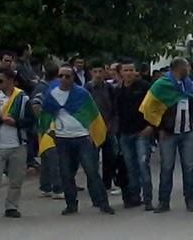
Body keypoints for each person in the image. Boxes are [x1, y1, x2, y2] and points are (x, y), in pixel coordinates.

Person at [140, 57, 193, 214]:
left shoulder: (188, 85)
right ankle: (163, 201)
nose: (189, 69)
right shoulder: (162, 85)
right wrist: (159, 128)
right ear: (179, 68)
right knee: (167, 167)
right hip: (168, 133)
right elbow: (149, 107)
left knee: (190, 167)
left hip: (188, 132)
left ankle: (190, 200)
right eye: (187, 67)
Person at [39, 65, 114, 215]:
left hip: (82, 138)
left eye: (67, 76)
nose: (64, 79)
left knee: (91, 171)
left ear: (73, 78)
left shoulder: (82, 94)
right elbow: (45, 116)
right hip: (62, 139)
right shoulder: (52, 94)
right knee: (66, 173)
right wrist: (49, 132)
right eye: (61, 76)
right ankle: (71, 204)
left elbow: (93, 115)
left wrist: (93, 134)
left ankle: (103, 203)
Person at [0, 67, 34, 221]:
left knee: (16, 179)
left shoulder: (23, 98)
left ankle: (12, 207)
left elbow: (31, 121)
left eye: (1, 80)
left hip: (17, 144)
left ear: (11, 81)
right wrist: (0, 119)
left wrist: (16, 122)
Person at [114, 61, 154, 210]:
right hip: (125, 134)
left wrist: (151, 126)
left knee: (143, 165)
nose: (129, 73)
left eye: (131, 69)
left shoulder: (144, 87)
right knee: (130, 167)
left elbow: (155, 106)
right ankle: (134, 197)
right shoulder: (118, 90)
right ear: (120, 73)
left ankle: (148, 198)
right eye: (126, 70)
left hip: (142, 132)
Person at [86, 61, 124, 197]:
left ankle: (106, 184)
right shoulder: (87, 89)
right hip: (92, 129)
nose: (97, 75)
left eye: (100, 71)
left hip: (108, 127)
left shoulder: (109, 88)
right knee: (92, 160)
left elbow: (115, 108)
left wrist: (112, 125)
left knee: (110, 157)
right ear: (91, 73)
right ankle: (94, 186)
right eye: (95, 72)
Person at [31, 62, 63, 199]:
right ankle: (57, 188)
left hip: (43, 127)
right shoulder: (51, 87)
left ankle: (45, 186)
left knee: (46, 157)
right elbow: (35, 105)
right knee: (54, 158)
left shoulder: (40, 87)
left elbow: (35, 105)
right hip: (51, 126)